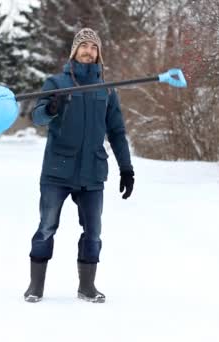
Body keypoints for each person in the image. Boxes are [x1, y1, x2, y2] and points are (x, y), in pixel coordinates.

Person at [23, 28, 135, 303]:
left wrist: (127, 168)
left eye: (93, 47)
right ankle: (35, 287)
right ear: (74, 51)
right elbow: (36, 117)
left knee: (94, 232)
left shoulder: (106, 89)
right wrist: (51, 108)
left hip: (92, 172)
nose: (88, 51)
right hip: (58, 170)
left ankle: (87, 287)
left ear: (98, 54)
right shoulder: (55, 83)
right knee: (47, 226)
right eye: (83, 46)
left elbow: (117, 132)